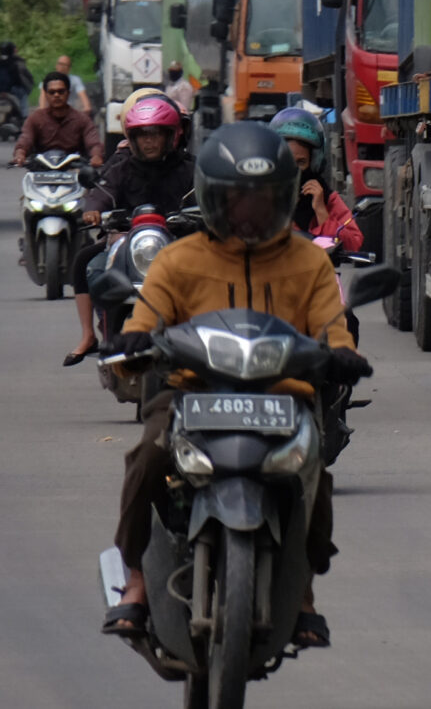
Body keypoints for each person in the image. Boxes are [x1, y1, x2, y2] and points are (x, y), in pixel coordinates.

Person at [103, 121, 371, 649]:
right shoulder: (178, 259)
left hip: (281, 396)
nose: (249, 212)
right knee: (147, 460)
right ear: (211, 199)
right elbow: (145, 318)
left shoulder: (309, 261)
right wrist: (134, 344)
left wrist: (342, 355)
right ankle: (135, 578)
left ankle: (304, 593)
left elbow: (331, 324)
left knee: (312, 472)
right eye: (236, 199)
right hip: (190, 393)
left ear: (284, 199)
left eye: (264, 199)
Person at [64, 94, 194, 366]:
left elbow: (209, 197)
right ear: (132, 138)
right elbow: (102, 192)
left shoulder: (190, 170)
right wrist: (93, 209)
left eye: (155, 135)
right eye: (143, 135)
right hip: (131, 245)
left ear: (170, 136)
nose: (149, 141)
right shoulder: (121, 169)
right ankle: (108, 336)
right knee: (96, 269)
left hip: (179, 245)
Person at [268, 106, 363, 254]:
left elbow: (354, 243)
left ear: (313, 162)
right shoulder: (262, 198)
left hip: (317, 274)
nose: (295, 171)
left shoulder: (325, 198)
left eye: (301, 162)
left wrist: (321, 211)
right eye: (288, 161)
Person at [13, 70, 97, 168]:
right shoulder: (35, 119)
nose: (56, 95)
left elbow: (93, 142)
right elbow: (25, 139)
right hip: (40, 172)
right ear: (46, 94)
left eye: (61, 91)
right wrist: (20, 154)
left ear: (68, 93)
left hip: (73, 171)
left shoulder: (82, 120)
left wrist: (96, 156)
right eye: (52, 92)